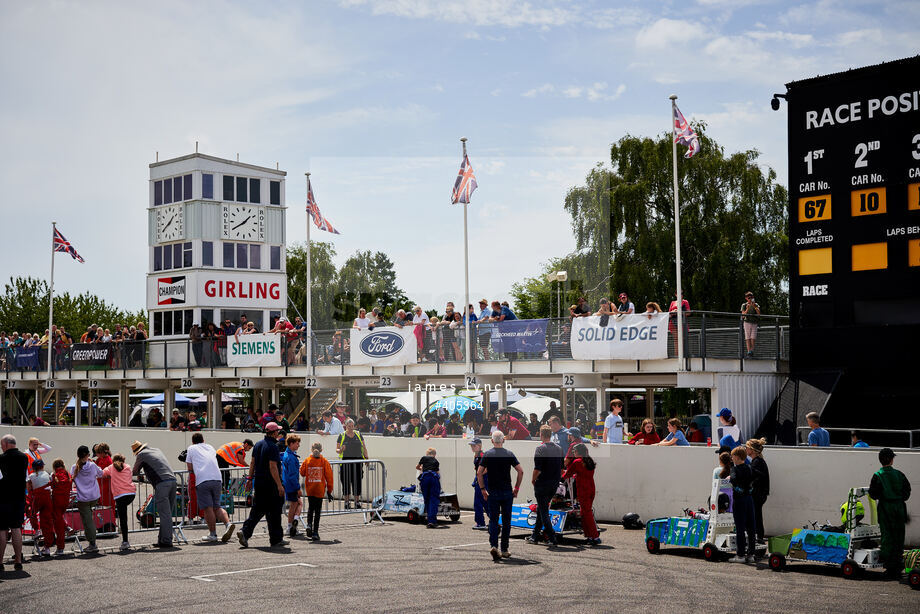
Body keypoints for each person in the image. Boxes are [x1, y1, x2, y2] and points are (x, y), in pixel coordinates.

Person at [238, 422, 288, 549]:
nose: (278, 433)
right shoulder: (273, 446)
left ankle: (245, 532)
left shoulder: (259, 444)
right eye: (277, 431)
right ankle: (276, 539)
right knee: (275, 510)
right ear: (274, 432)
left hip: (259, 483)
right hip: (271, 484)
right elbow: (273, 466)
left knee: (258, 509)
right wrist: (279, 485)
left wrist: (249, 479)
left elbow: (252, 462)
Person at [478, 431, 524, 561]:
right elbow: (520, 471)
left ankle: (494, 545)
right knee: (506, 521)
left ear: (492, 441)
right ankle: (504, 549)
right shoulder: (509, 454)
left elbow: (479, 473)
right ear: (503, 440)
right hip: (506, 491)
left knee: (493, 520)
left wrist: (482, 489)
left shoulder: (487, 454)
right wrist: (516, 488)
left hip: (493, 492)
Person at [869, 447, 912, 578]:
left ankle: (889, 567)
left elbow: (873, 494)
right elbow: (907, 492)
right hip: (899, 507)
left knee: (887, 536)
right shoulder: (900, 474)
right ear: (892, 460)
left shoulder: (877, 475)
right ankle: (898, 565)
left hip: (885, 508)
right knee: (899, 535)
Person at [185, 433, 235, 543]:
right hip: (217, 478)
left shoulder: (191, 448)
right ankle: (228, 524)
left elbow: (189, 467)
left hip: (203, 479)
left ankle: (213, 534)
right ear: (203, 440)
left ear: (193, 441)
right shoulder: (210, 447)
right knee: (217, 506)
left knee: (208, 508)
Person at [131, 440, 178, 548]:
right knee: (167, 513)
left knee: (164, 514)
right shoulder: (157, 450)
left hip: (162, 483)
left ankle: (166, 541)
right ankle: (162, 540)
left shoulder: (141, 455)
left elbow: (135, 471)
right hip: (173, 481)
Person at [528, 425, 562, 546]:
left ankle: (552, 537)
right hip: (554, 484)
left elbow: (538, 469)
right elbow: (561, 468)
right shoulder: (558, 448)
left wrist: (533, 479)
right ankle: (535, 535)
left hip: (542, 483)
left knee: (543, 511)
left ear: (541, 435)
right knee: (542, 509)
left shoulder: (540, 449)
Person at [562, 443, 601, 545]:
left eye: (574, 451)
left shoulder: (577, 462)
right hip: (591, 488)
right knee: (585, 513)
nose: (573, 453)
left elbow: (567, 474)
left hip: (583, 490)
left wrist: (561, 473)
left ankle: (594, 536)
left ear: (578, 452)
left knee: (586, 513)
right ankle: (589, 536)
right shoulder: (589, 460)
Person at [0, 435, 28, 570]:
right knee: (16, 528)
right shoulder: (24, 458)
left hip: (3, 498)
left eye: (1, 445)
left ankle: (0, 562)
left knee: (2, 530)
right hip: (19, 497)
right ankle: (18, 560)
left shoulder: (1, 458)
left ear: (6, 444)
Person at [72, 445, 103, 553]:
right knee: (89, 519)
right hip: (94, 495)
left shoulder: (74, 467)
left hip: (83, 497)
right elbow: (101, 473)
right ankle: (91, 542)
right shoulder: (92, 465)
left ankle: (92, 543)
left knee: (87, 521)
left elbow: (73, 478)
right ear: (88, 455)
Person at [103, 453, 138, 550]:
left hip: (120, 495)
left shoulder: (111, 467)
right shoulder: (128, 466)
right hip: (131, 494)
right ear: (124, 460)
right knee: (123, 515)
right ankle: (124, 538)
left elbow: (102, 473)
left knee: (123, 519)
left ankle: (125, 541)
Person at [300, 442, 333, 541]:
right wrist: (329, 490)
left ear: (312, 449)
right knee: (317, 511)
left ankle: (309, 524)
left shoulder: (307, 460)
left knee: (311, 508)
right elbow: (329, 477)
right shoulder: (324, 461)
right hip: (319, 489)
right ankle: (315, 532)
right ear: (321, 449)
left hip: (310, 488)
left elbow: (302, 473)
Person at [728, 445, 756, 563]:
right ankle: (751, 554)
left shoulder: (735, 469)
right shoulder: (749, 467)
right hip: (749, 499)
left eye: (733, 456)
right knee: (751, 527)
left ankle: (740, 555)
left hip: (739, 500)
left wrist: (733, 482)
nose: (732, 458)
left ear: (737, 457)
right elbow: (754, 480)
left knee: (740, 527)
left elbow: (733, 479)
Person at [336, 419, 368, 509]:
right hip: (346, 462)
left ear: (354, 426)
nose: (350, 428)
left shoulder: (358, 434)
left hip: (358, 461)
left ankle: (357, 502)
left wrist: (366, 458)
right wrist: (341, 449)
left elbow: (364, 447)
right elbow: (337, 450)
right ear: (345, 426)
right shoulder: (341, 435)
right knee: (346, 481)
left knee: (357, 481)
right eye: (349, 426)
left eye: (352, 426)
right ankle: (347, 502)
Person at [27, 458, 54, 556]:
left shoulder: (31, 476)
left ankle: (37, 530)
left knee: (32, 513)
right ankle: (47, 548)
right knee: (47, 522)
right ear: (42, 466)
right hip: (47, 499)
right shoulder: (47, 474)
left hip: (37, 498)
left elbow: (29, 488)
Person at [745, 438, 770, 545]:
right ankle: (758, 537)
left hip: (758, 494)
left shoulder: (757, 462)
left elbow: (754, 477)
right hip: (760, 494)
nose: (745, 449)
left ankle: (758, 538)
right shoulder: (757, 462)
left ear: (752, 450)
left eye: (747, 447)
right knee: (756, 516)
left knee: (756, 516)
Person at [281, 434, 303, 537]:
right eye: (297, 443)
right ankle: (292, 524)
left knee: (295, 504)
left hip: (288, 484)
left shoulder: (287, 454)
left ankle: (291, 524)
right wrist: (298, 488)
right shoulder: (291, 457)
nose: (298, 445)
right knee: (297, 504)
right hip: (291, 485)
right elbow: (292, 474)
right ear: (291, 444)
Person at [49, 458, 71, 556]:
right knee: (60, 521)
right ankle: (67, 527)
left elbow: (52, 487)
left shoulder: (54, 475)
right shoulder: (68, 474)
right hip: (66, 502)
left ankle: (60, 548)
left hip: (57, 502)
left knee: (58, 527)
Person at [416, 448, 441, 528]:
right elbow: (437, 473)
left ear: (427, 454)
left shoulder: (423, 458)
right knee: (433, 499)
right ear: (434, 454)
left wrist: (422, 469)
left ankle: (429, 517)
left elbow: (417, 467)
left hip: (425, 478)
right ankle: (432, 520)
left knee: (426, 499)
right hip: (433, 478)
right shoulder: (436, 461)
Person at [468, 437, 488, 530]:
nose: (472, 447)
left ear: (479, 446)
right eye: (471, 445)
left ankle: (481, 523)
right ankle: (493, 521)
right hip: (479, 479)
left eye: (474, 445)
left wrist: (479, 473)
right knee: (483, 502)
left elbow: (487, 469)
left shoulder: (482, 455)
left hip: (483, 480)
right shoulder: (477, 455)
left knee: (480, 502)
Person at [740, 291, 761, 358]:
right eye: (749, 298)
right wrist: (747, 308)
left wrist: (755, 307)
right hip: (747, 322)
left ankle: (752, 350)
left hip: (754, 322)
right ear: (746, 298)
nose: (750, 299)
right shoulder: (744, 305)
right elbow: (743, 315)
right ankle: (749, 351)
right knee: (748, 337)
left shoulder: (756, 304)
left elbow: (759, 314)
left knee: (753, 337)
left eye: (751, 297)